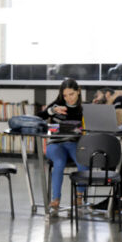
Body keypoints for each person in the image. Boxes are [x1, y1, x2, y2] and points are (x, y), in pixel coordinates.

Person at [36, 78, 88, 216]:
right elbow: (38, 117)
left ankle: (79, 196)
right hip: (55, 144)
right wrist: (52, 111)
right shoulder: (58, 104)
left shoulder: (84, 108)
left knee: (83, 160)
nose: (68, 98)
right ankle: (56, 199)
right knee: (59, 162)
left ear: (78, 91)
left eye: (71, 94)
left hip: (73, 143)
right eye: (65, 95)